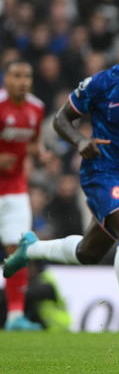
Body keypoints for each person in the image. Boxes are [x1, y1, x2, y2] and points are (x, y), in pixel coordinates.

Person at [3, 24, 119, 348]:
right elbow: (62, 119)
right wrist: (80, 141)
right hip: (101, 169)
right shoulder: (103, 83)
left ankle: (29, 249)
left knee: (89, 253)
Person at [0, 59, 45, 331]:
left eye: (27, 75)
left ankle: (15, 316)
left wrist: (41, 153)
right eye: (17, 75)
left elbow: (34, 142)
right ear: (6, 79)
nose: (23, 81)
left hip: (16, 189)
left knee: (18, 252)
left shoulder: (36, 108)